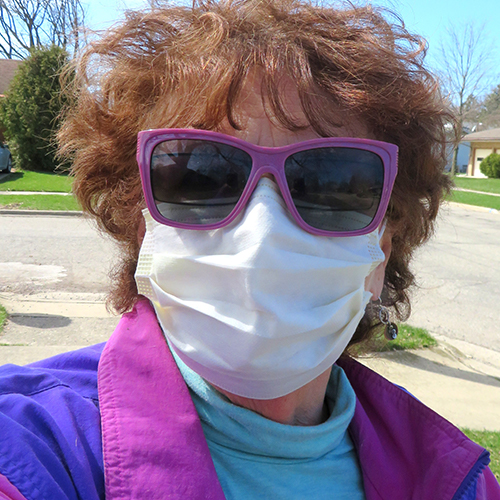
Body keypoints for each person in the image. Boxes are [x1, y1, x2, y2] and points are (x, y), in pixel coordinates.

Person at [0, 0, 499, 498]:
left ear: (382, 254)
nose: (262, 231)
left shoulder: (457, 479)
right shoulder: (36, 449)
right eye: (199, 176)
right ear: (143, 230)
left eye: (330, 183)